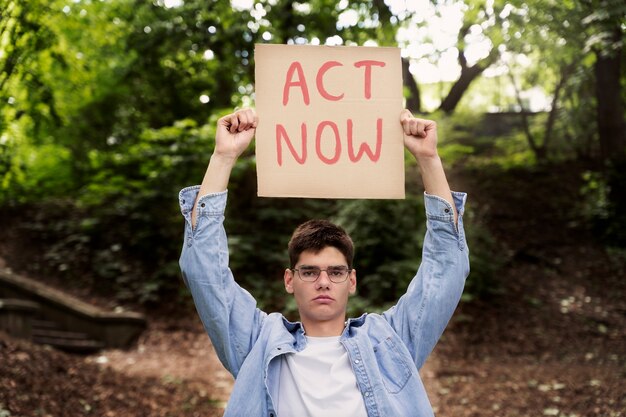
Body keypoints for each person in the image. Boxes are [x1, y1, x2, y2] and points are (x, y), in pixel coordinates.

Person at [178, 108, 469, 417]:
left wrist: (429, 160)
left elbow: (445, 271)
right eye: (309, 271)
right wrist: (223, 157)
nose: (324, 281)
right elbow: (203, 270)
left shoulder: (387, 342)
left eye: (336, 271)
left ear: (352, 280)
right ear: (289, 280)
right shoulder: (258, 342)